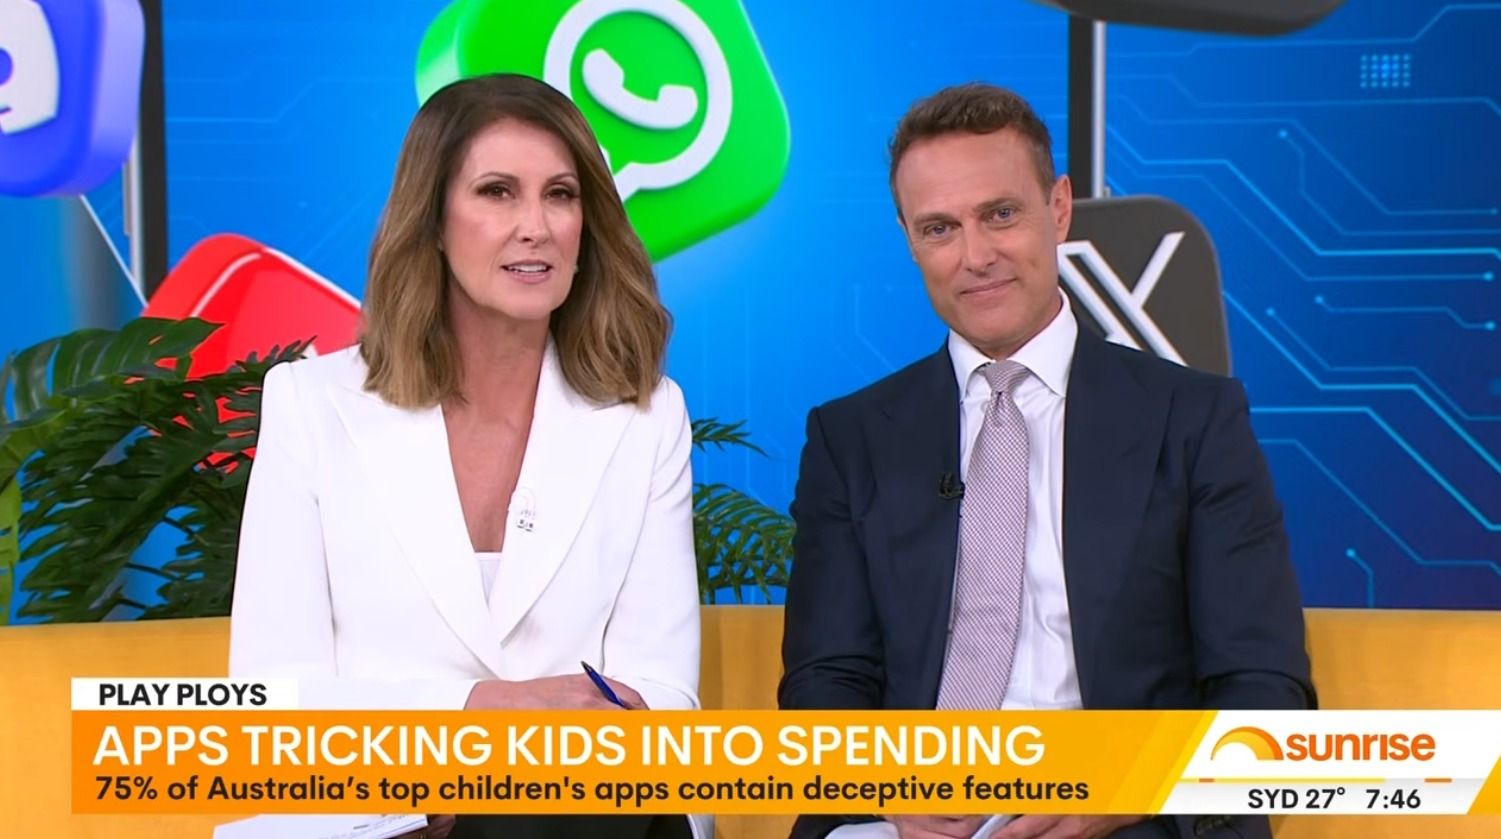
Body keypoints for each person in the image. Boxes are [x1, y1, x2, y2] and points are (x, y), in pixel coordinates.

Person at [778, 82, 1314, 839]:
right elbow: (824, 678)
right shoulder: (850, 437)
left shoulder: (1192, 421)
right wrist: (886, 788)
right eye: (939, 228)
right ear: (908, 239)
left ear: (1058, 208)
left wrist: (1124, 787)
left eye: (1000, 214)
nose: (975, 257)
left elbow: (1262, 687)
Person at [228, 73, 708, 839]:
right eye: (496, 192)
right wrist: (479, 716)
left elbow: (661, 695)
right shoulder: (311, 404)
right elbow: (271, 704)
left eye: (559, 195)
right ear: (432, 222)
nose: (535, 226)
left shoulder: (646, 417)